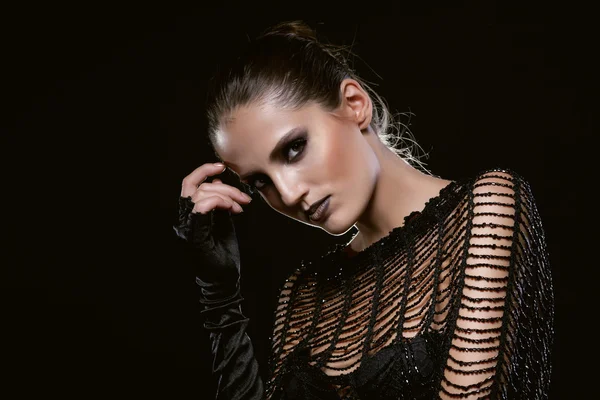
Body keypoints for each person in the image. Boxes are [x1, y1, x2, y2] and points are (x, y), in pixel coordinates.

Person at [173, 20, 554, 399]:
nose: (288, 194)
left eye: (294, 148)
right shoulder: (303, 294)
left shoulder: (485, 210)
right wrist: (219, 294)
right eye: (260, 181)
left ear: (355, 105)